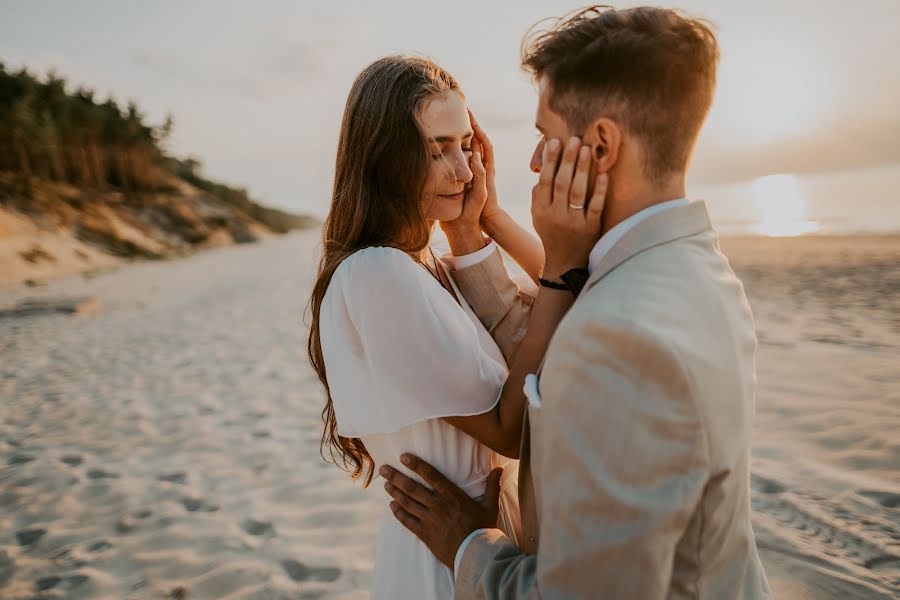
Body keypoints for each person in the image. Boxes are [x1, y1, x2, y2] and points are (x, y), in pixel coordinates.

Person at [380, 7, 772, 598]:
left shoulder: (617, 335)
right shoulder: (693, 268)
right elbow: (544, 326)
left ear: (602, 144)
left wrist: (470, 543)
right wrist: (478, 226)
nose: (535, 161)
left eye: (544, 136)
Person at [307, 55, 606, 599]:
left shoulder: (426, 268)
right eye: (435, 149)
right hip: (442, 557)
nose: (464, 171)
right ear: (382, 159)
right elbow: (511, 430)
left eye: (466, 145)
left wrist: (486, 222)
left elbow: (581, 310)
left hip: (482, 538)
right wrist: (560, 267)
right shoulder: (377, 273)